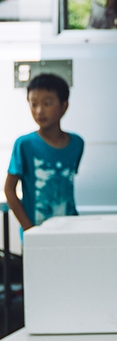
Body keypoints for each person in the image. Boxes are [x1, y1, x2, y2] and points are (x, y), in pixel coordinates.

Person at [5, 74, 84, 231]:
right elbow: (9, 189)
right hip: (36, 231)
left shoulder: (77, 143)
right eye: (33, 104)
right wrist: (29, 229)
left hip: (69, 230)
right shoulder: (24, 144)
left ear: (64, 106)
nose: (39, 111)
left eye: (47, 103)